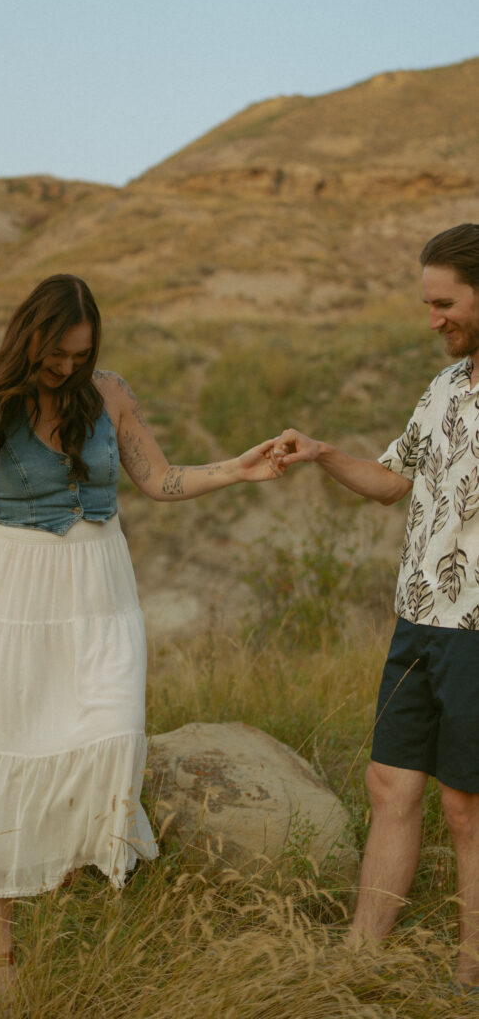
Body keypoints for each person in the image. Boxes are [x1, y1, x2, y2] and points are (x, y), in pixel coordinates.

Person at [0, 274, 281, 1004]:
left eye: (80, 353)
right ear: (27, 338)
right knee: (12, 740)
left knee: (111, 732)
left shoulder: (111, 393)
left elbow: (158, 479)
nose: (67, 367)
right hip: (18, 589)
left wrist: (239, 469)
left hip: (101, 588)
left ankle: (67, 889)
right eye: (57, 354)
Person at [271, 224, 479, 992]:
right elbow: (394, 481)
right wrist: (322, 454)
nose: (432, 319)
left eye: (444, 303)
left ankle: (470, 970)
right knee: (390, 787)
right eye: (426, 304)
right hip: (418, 621)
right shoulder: (443, 389)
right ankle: (358, 958)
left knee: (466, 805)